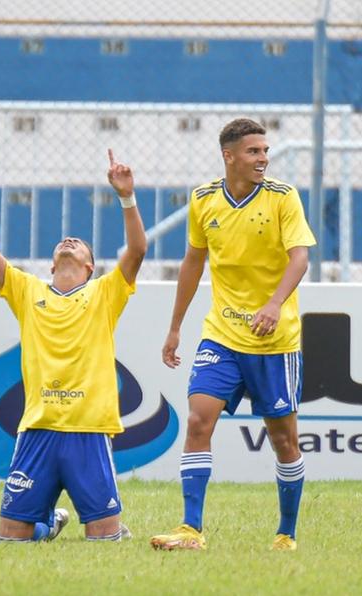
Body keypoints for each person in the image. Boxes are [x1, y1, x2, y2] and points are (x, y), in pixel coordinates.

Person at [149, 118, 316, 552]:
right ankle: (191, 529)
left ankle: (286, 533)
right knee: (198, 420)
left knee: (283, 439)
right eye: (254, 152)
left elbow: (300, 259)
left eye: (265, 151)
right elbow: (192, 262)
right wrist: (174, 328)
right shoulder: (204, 199)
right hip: (222, 334)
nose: (263, 158)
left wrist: (275, 303)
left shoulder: (283, 198)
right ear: (229, 156)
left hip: (274, 342)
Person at [0, 148, 146, 543]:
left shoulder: (104, 294)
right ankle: (49, 526)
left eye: (79, 243)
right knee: (10, 541)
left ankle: (100, 523)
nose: (69, 241)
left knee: (104, 540)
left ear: (89, 267)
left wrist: (126, 197)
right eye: (63, 242)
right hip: (38, 428)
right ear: (50, 265)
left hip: (88, 429)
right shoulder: (26, 290)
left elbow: (136, 252)